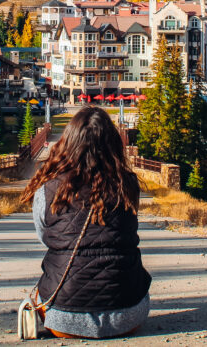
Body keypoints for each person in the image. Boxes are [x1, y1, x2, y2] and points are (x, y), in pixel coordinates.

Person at [21, 106, 151, 339]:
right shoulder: (127, 184)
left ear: (68, 142)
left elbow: (44, 236)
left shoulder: (48, 188)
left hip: (63, 319)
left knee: (47, 283)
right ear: (113, 145)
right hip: (128, 316)